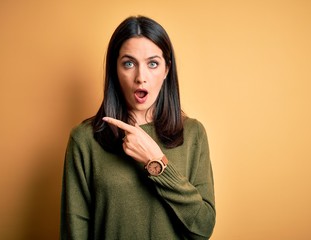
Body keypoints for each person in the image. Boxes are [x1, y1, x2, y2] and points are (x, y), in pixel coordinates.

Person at [60, 15, 216, 240]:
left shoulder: (193, 134)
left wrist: (157, 163)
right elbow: (74, 232)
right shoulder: (84, 139)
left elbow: (203, 227)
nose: (141, 77)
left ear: (166, 70)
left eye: (152, 63)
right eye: (129, 63)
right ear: (115, 70)